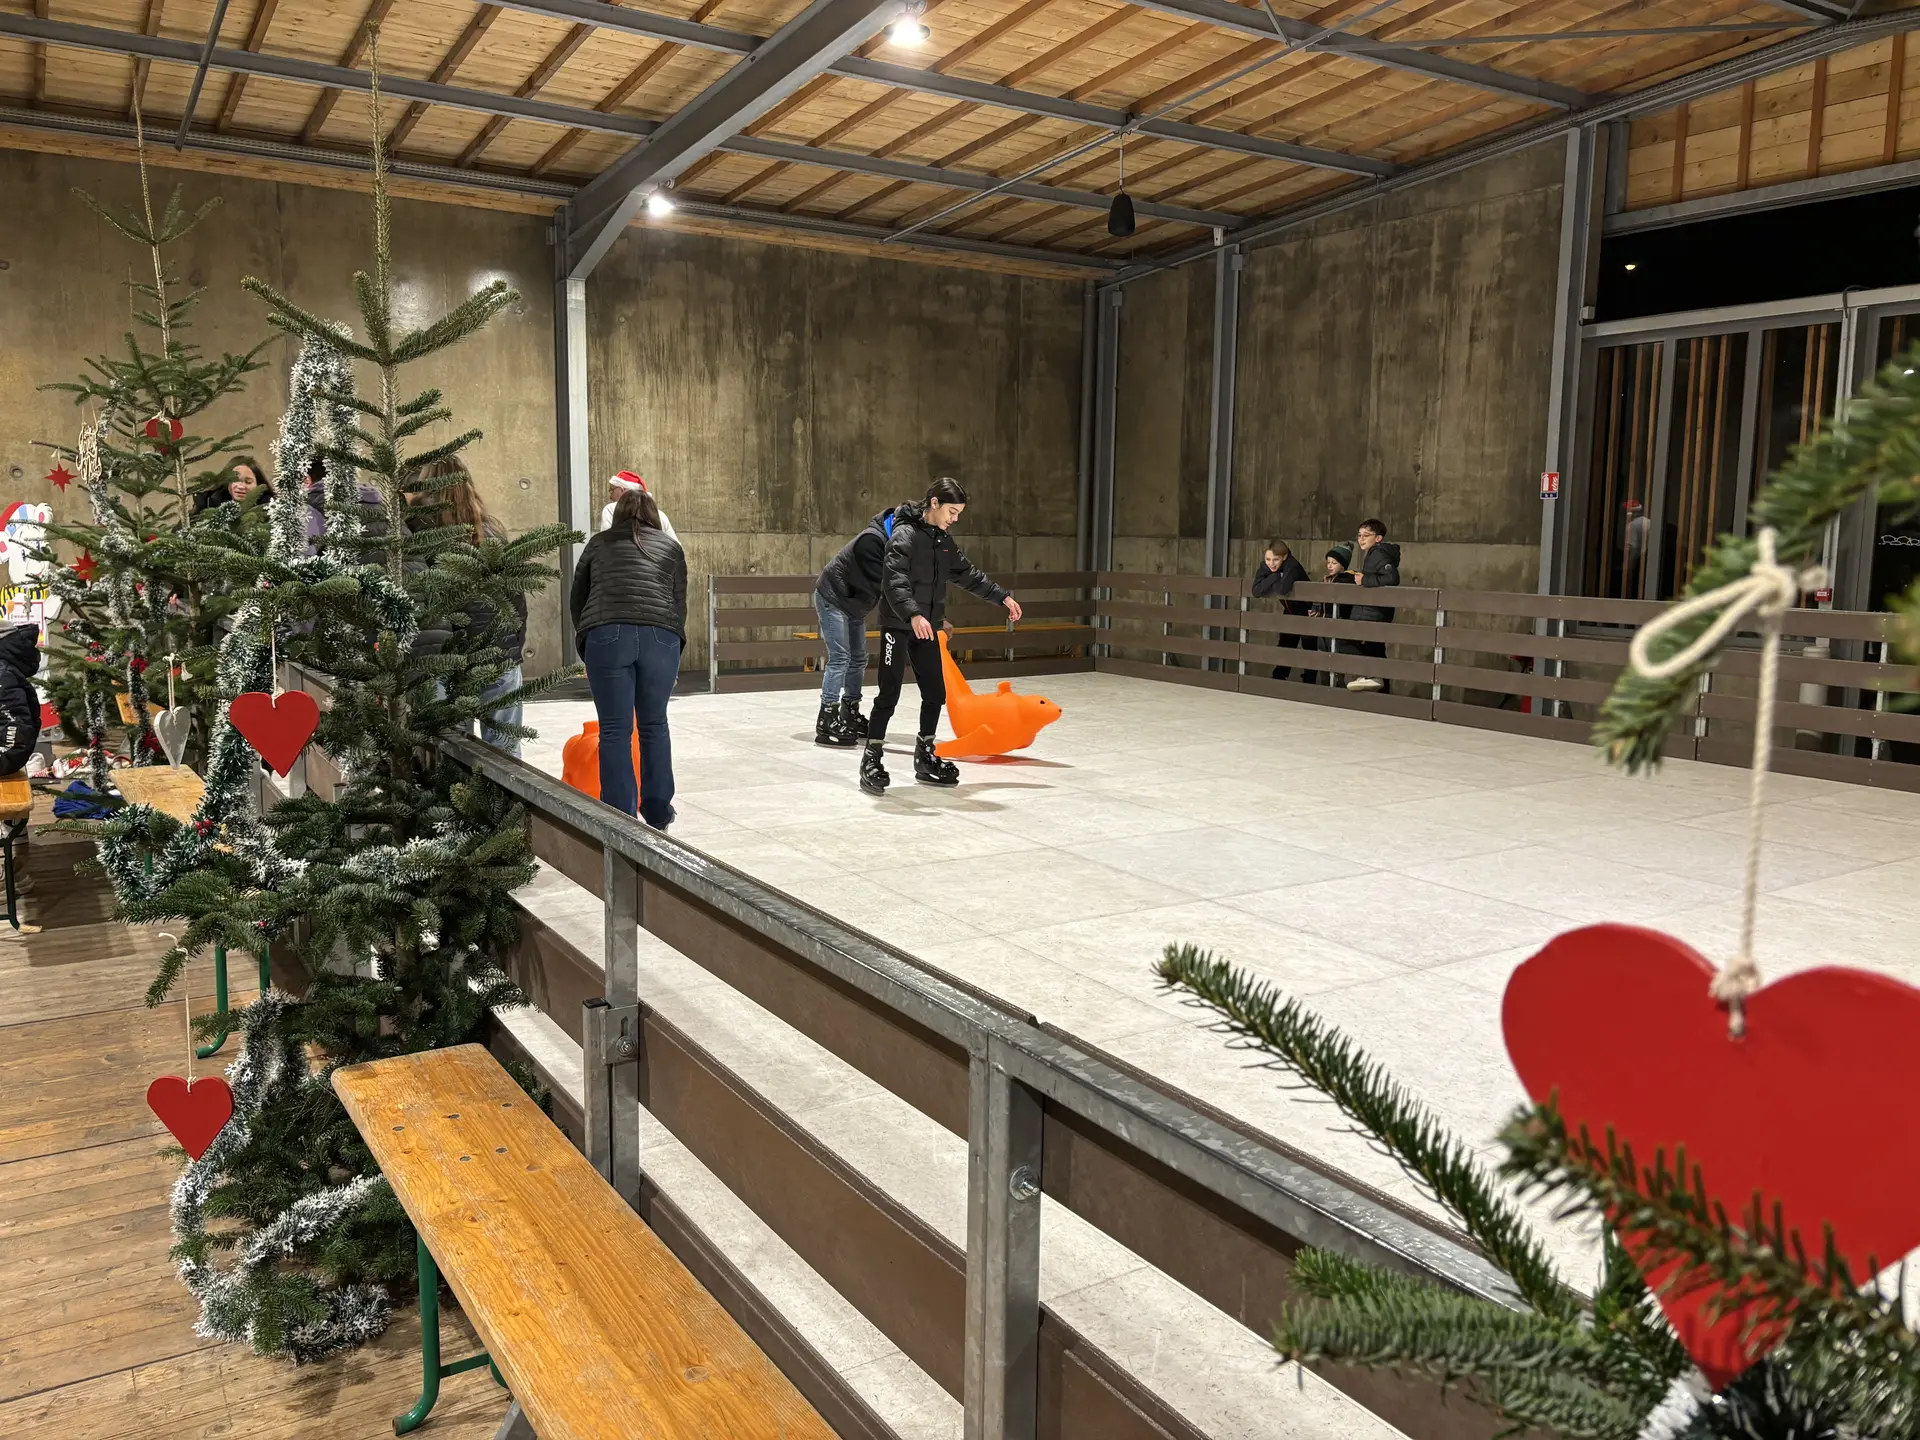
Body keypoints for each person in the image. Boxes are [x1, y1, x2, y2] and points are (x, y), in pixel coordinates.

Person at [859, 478, 1022, 795]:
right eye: (952, 511)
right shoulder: (904, 534)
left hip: (927, 626)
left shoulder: (944, 542)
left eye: (959, 513)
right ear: (934, 502)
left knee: (935, 692)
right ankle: (872, 757)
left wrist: (1003, 597)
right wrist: (913, 613)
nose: (955, 518)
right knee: (889, 693)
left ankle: (926, 754)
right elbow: (893, 579)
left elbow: (969, 575)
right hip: (900, 624)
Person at [570, 485, 687, 828]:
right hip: (660, 636)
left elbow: (579, 597)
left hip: (607, 634)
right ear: (655, 517)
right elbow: (679, 603)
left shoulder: (598, 544)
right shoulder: (671, 547)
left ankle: (620, 819)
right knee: (654, 725)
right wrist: (672, 648)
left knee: (615, 730)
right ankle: (659, 812)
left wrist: (588, 638)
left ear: (616, 515)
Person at [411, 459, 529, 756]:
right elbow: (516, 597)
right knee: (506, 755)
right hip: (499, 655)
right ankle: (506, 803)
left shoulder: (415, 531)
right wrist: (514, 646)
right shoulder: (491, 530)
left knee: (452, 754)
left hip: (447, 661)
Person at [812, 505, 899, 746]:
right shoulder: (871, 541)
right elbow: (886, 585)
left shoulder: (892, 543)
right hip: (834, 597)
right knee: (840, 657)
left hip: (853, 604)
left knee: (859, 658)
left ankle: (848, 712)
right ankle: (826, 718)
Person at [1346, 518, 1400, 693]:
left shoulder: (1379, 554)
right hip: (1371, 611)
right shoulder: (1372, 553)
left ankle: (1371, 676)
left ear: (1378, 538)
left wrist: (1364, 579)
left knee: (1349, 643)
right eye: (1359, 535)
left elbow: (1392, 578)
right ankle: (1380, 690)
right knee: (1376, 651)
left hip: (1373, 613)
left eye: (1366, 535)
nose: (1361, 539)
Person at [1250, 540, 1309, 680]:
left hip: (1307, 612)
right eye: (1268, 559)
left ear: (1284, 556)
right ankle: (1278, 678)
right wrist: (1276, 576)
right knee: (1285, 644)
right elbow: (1256, 590)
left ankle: (1309, 681)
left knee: (1309, 647)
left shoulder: (1292, 566)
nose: (1271, 563)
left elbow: (1283, 589)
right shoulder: (1268, 567)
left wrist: (1271, 580)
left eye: (1275, 559)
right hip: (1289, 611)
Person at [1301, 543, 1354, 687]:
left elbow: (1343, 605)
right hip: (1323, 626)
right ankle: (1324, 686)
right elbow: (1319, 600)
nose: (1330, 566)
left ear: (1343, 565)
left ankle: (1337, 687)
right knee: (1322, 658)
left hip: (1337, 626)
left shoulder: (1346, 580)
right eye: (1328, 562)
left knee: (1336, 660)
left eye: (1334, 563)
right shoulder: (1326, 580)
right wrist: (1315, 611)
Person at [599, 471, 679, 543]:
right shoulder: (660, 514)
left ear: (622, 490)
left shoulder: (611, 509)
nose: (610, 496)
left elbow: (605, 543)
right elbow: (676, 546)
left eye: (611, 490)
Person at [194, 456, 271, 514]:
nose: (240, 486)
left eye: (248, 482)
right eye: (235, 480)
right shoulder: (206, 504)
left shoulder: (271, 510)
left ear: (259, 484)